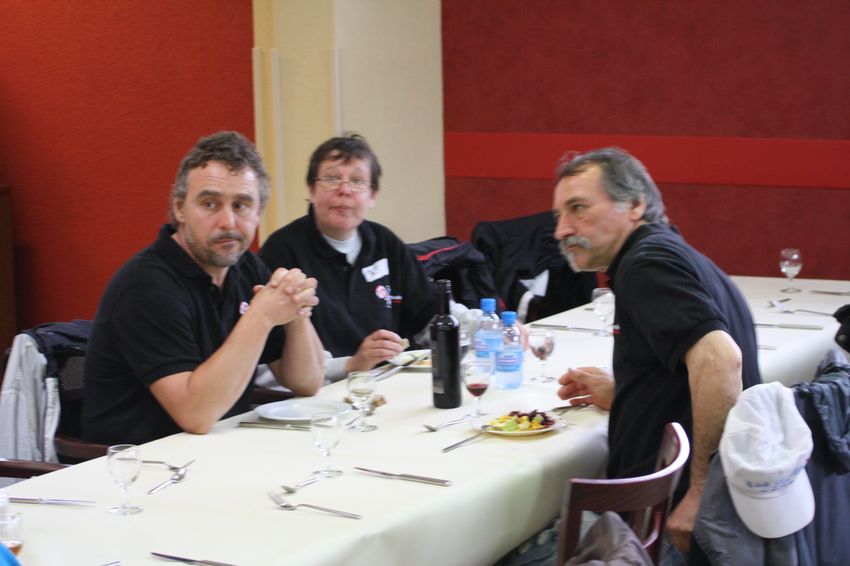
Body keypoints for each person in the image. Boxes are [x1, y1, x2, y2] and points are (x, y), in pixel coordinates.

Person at [553, 147, 761, 560]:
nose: (561, 230)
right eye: (558, 216)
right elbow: (687, 370)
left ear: (634, 205)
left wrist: (701, 492)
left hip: (664, 523)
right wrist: (627, 393)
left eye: (578, 208)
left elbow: (721, 361)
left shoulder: (646, 265)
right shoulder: (666, 252)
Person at [82, 131, 325, 445]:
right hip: (141, 463)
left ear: (258, 214)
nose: (228, 222)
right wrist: (261, 316)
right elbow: (195, 415)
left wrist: (295, 306)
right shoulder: (145, 287)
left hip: (219, 451)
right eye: (210, 204)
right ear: (180, 209)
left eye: (241, 205)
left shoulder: (247, 268)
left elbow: (306, 382)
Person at [259, 134, 455, 381]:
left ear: (373, 195)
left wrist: (483, 328)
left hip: (388, 383)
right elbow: (276, 366)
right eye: (332, 179)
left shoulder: (385, 243)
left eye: (358, 181)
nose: (345, 190)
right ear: (311, 189)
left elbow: (429, 316)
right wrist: (352, 364)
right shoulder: (282, 251)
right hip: (319, 393)